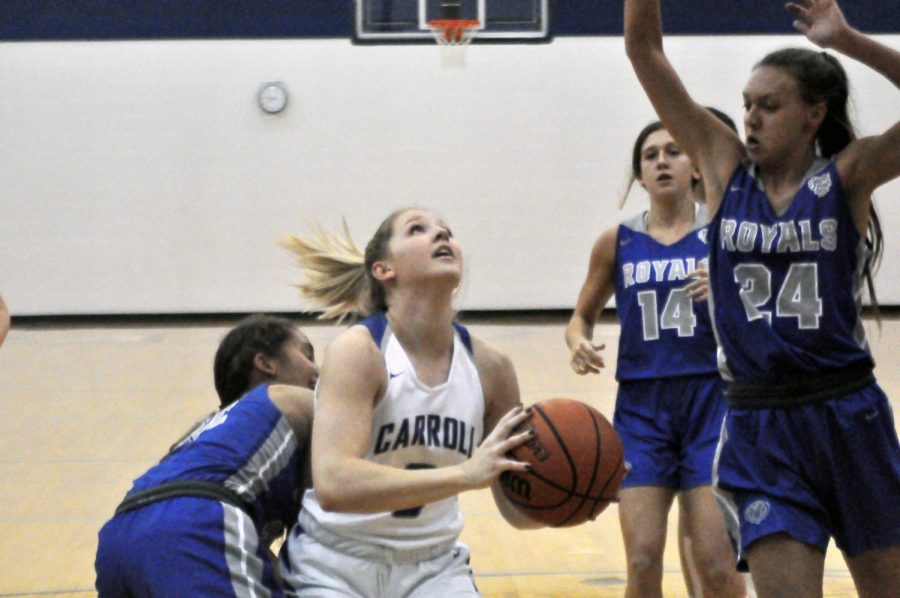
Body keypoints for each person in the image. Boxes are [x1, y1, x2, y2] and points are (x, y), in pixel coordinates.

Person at [624, 0, 900, 596]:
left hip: (848, 416)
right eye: (747, 104)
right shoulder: (723, 168)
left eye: (768, 106)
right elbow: (644, 51)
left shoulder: (846, 175)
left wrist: (848, 40)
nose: (750, 117)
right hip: (759, 424)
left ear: (813, 115)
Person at [278, 208, 543, 596]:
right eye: (418, 230)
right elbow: (335, 484)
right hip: (334, 564)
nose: (442, 236)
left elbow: (515, 511)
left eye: (447, 232)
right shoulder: (360, 351)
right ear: (384, 269)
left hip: (432, 569)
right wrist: (464, 475)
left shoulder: (492, 368)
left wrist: (583, 487)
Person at [566, 119, 745, 598]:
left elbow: (763, 308)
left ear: (695, 168)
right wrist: (578, 341)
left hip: (713, 402)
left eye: (674, 150)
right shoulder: (616, 241)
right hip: (642, 409)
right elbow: (580, 315)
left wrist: (728, 292)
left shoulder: (725, 232)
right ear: (640, 178)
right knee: (643, 559)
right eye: (650, 156)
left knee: (716, 564)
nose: (662, 160)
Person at [95, 314, 319, 597]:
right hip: (195, 521)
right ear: (266, 363)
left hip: (120, 536)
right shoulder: (294, 400)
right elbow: (323, 526)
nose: (317, 370)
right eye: (306, 354)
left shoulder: (205, 430)